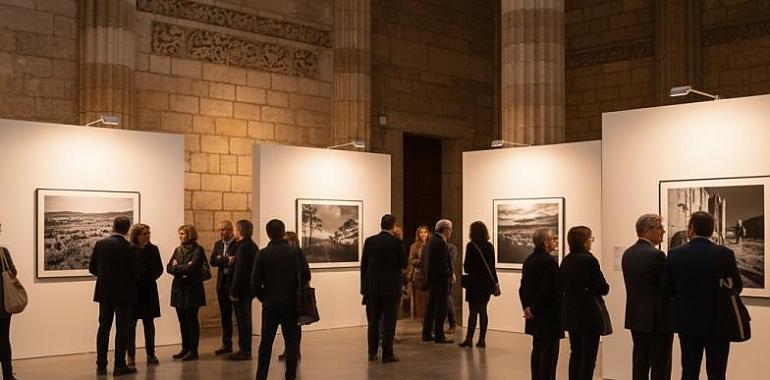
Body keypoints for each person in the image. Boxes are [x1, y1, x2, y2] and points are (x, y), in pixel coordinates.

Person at [664, 211, 742, 380]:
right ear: (712, 230)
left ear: (691, 229)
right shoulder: (724, 254)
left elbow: (667, 290)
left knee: (689, 371)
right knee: (717, 372)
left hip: (687, 322)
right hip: (718, 322)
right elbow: (737, 287)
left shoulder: (676, 254)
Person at [252, 219, 310, 380]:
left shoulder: (263, 254)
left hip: (270, 304)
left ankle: (261, 375)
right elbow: (307, 276)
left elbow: (255, 282)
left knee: (266, 343)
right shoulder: (296, 253)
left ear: (268, 233)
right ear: (283, 232)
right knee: (291, 343)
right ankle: (290, 375)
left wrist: (263, 297)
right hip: (291, 304)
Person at [622, 214, 672, 380]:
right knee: (660, 366)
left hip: (636, 318)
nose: (663, 231)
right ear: (648, 230)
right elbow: (668, 287)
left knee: (640, 364)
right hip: (657, 320)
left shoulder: (628, 254)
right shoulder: (656, 255)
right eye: (659, 228)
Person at [89, 216, 140, 376]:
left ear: (113, 226)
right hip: (124, 294)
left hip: (104, 293)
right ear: (127, 229)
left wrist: (106, 278)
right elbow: (136, 273)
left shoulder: (101, 244)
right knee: (122, 330)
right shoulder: (130, 248)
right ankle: (119, 365)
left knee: (103, 328)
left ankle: (101, 365)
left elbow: (92, 268)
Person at [560, 226, 609, 380]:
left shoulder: (566, 260)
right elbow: (602, 287)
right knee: (588, 357)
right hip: (588, 315)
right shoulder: (589, 260)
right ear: (584, 241)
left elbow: (560, 285)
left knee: (576, 353)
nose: (591, 242)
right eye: (590, 238)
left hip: (571, 313)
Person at [361, 215, 408, 363]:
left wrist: (364, 287)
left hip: (373, 287)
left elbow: (364, 266)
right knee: (389, 321)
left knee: (373, 321)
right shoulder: (397, 242)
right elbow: (404, 264)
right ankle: (387, 353)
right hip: (391, 288)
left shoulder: (370, 241)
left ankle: (372, 352)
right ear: (393, 226)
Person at [519, 228, 562, 380]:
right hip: (547, 315)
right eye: (553, 238)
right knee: (549, 353)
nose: (556, 241)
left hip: (534, 314)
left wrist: (527, 307)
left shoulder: (529, 260)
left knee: (537, 349)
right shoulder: (550, 262)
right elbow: (547, 290)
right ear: (545, 242)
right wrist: (534, 308)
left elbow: (523, 288)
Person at [166, 224, 206, 361]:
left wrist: (178, 268)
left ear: (190, 234)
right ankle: (185, 347)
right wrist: (181, 268)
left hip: (192, 289)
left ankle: (193, 350)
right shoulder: (178, 250)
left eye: (183, 233)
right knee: (182, 321)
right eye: (180, 233)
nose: (180, 236)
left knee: (191, 320)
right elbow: (169, 267)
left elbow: (193, 267)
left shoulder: (197, 250)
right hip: (179, 290)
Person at [126, 224, 163, 367]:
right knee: (131, 326)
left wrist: (148, 275)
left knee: (149, 324)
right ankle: (131, 356)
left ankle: (151, 353)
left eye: (149, 233)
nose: (148, 236)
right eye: (144, 234)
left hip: (148, 290)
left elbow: (159, 269)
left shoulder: (153, 249)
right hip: (133, 291)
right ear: (136, 236)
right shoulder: (130, 250)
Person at [459, 221, 498, 348]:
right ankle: (482, 340)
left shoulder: (471, 245)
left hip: (474, 283)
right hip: (486, 283)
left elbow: (467, 266)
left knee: (473, 311)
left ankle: (469, 339)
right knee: (483, 310)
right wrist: (495, 282)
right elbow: (492, 267)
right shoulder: (489, 246)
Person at [228, 220, 258, 361]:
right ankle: (244, 349)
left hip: (242, 291)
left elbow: (240, 272)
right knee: (244, 320)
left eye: (235, 230)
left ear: (239, 230)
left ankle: (244, 350)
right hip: (248, 289)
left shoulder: (245, 248)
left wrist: (234, 291)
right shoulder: (250, 246)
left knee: (243, 321)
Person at [421, 219, 455, 344]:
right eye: (450, 229)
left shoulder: (432, 241)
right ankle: (439, 335)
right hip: (439, 281)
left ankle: (426, 333)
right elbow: (442, 263)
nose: (451, 232)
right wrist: (450, 274)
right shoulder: (440, 242)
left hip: (432, 281)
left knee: (431, 308)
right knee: (441, 308)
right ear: (446, 229)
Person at [209, 220, 237, 355]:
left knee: (238, 316)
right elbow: (213, 260)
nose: (221, 232)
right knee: (225, 316)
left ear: (231, 230)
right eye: (219, 230)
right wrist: (226, 259)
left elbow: (237, 261)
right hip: (222, 284)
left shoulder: (237, 244)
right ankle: (226, 344)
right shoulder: (218, 244)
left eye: (223, 230)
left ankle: (243, 346)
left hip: (234, 284)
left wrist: (223, 259)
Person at [278, 231, 305, 362]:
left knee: (295, 325)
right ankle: (290, 350)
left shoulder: (298, 254)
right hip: (290, 293)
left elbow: (306, 274)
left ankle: (294, 351)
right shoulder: (294, 254)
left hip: (296, 294)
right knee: (288, 325)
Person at [0, 222, 19, 380]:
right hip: (3, 304)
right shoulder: (3, 252)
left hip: (2, 305)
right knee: (4, 339)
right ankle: (7, 374)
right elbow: (13, 272)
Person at [407, 226, 430, 319]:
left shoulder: (431, 244)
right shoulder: (414, 246)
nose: (423, 234)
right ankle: (421, 318)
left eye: (425, 232)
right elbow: (411, 260)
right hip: (418, 275)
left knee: (428, 299)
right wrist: (421, 261)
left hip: (429, 274)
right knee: (419, 299)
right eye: (421, 232)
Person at [445, 242, 458, 335]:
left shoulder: (451, 247)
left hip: (446, 276)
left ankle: (452, 324)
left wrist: (451, 273)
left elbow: (450, 262)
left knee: (448, 299)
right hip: (439, 276)